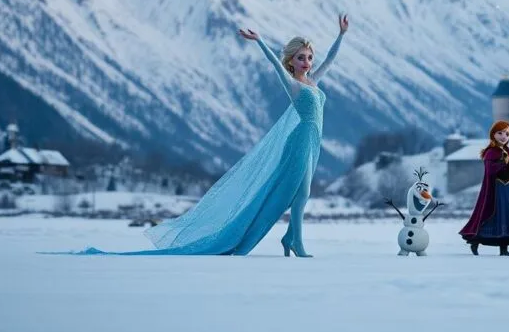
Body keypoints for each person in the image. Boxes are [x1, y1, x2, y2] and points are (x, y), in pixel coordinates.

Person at [59, 14, 348, 257]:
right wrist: (260, 41)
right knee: (298, 192)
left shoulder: (313, 80)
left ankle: (289, 238)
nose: (307, 62)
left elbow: (331, 60)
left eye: (309, 57)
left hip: (312, 140)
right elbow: (274, 64)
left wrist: (341, 34)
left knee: (302, 193)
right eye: (301, 58)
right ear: (292, 61)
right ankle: (295, 241)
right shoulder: (294, 84)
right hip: (299, 141)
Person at [458, 120, 509, 256]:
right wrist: (503, 162)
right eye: (500, 133)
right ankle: (475, 242)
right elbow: (490, 171)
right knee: (491, 216)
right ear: (493, 135)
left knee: (507, 218)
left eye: (507, 134)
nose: (503, 136)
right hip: (495, 191)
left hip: (508, 191)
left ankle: (504, 249)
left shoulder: (508, 151)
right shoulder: (491, 152)